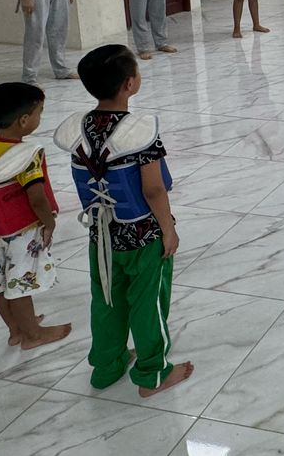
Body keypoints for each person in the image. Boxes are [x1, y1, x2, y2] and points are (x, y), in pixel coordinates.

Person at [55, 45, 193, 397]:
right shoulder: (140, 132)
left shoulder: (79, 129)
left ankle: (107, 365)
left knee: (106, 299)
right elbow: (153, 189)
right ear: (130, 83)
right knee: (148, 304)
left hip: (101, 235)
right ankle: (152, 374)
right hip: (143, 235)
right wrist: (168, 229)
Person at [0, 81, 71, 350]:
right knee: (19, 284)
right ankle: (33, 335)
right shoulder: (25, 154)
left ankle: (16, 329)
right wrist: (49, 222)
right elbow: (36, 197)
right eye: (39, 112)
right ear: (24, 120)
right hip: (19, 232)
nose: (40, 117)